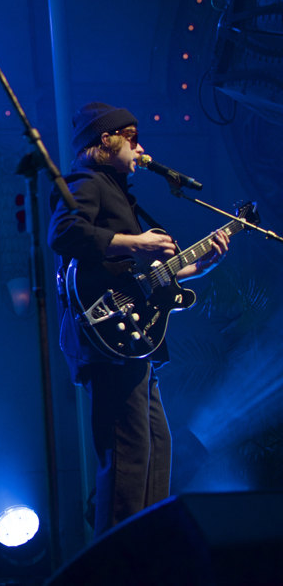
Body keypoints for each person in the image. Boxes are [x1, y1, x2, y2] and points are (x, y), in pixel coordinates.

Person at [47, 102, 229, 537]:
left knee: (155, 447)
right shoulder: (85, 180)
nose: (140, 148)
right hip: (104, 338)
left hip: (130, 338)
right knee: (128, 453)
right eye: (132, 139)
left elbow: (137, 279)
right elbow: (65, 233)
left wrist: (197, 268)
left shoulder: (116, 190)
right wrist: (137, 242)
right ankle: (117, 564)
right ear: (105, 140)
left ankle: (145, 550)